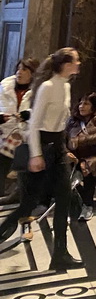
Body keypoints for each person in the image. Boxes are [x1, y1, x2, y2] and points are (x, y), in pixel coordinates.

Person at [0, 47, 82, 270]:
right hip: (42, 147)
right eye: (75, 60)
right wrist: (36, 155)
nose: (79, 63)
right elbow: (34, 123)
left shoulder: (65, 86)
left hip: (57, 147)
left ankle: (60, 255)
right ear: (65, 64)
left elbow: (61, 122)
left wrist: (65, 146)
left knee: (64, 199)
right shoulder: (47, 87)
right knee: (28, 203)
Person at [66, 93, 96, 221]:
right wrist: (66, 151)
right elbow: (64, 137)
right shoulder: (73, 119)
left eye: (86, 104)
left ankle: (88, 205)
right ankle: (69, 203)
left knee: (87, 165)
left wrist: (81, 140)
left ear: (93, 107)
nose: (82, 106)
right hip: (76, 154)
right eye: (80, 103)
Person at [0, 58, 38, 200]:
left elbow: (39, 113)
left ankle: (18, 191)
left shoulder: (38, 90)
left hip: (26, 135)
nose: (19, 72)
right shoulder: (5, 87)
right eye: (18, 69)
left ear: (32, 73)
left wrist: (25, 115)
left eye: (24, 70)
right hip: (4, 131)